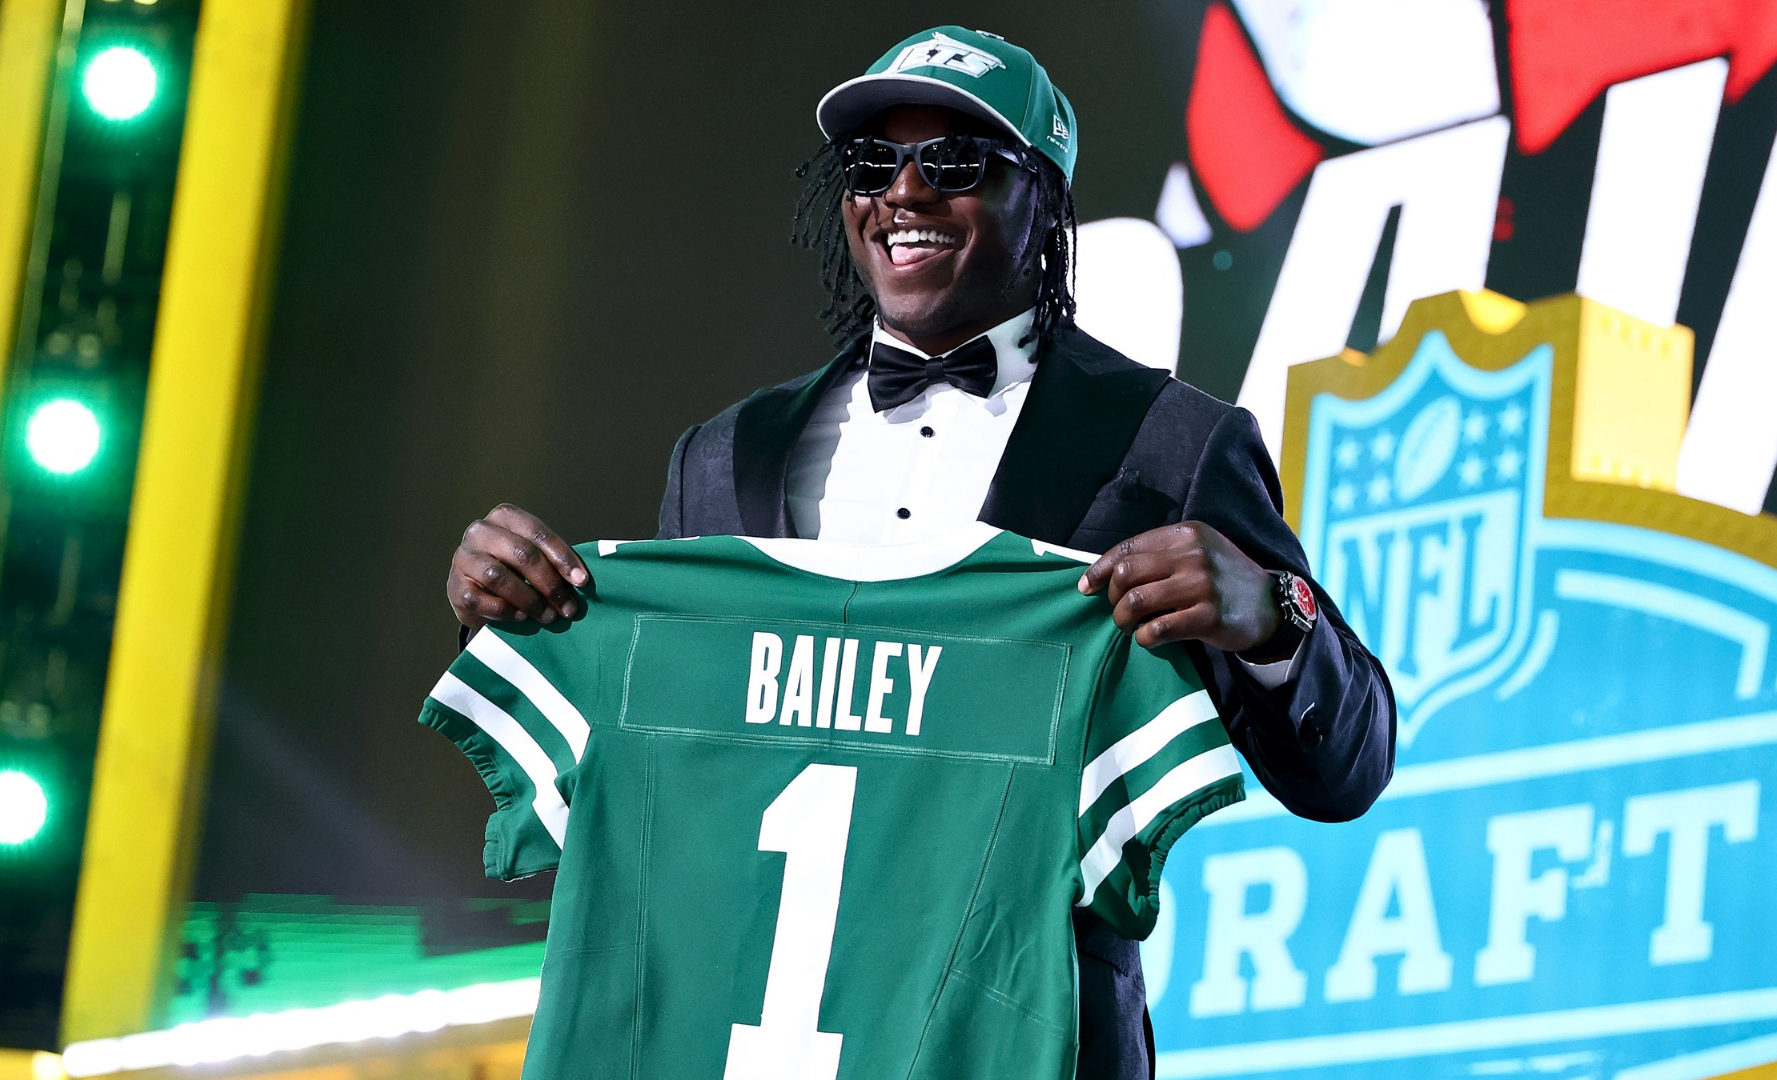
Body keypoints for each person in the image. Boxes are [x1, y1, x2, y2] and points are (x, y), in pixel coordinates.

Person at [444, 26, 1394, 1080]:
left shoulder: (1171, 442)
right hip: (741, 1035)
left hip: (1026, 1042)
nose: (904, 192)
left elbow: (1346, 769)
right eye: (872, 164)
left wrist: (1270, 613)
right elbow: (670, 758)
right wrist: (527, 607)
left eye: (953, 163)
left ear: (1044, 200)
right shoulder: (726, 456)